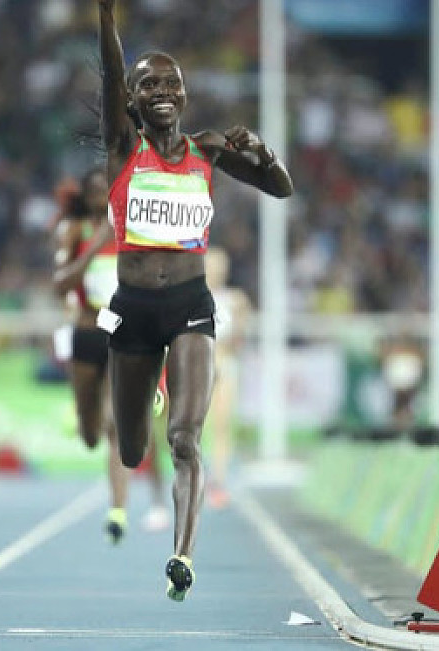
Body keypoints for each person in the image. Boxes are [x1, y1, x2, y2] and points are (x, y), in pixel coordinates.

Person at [96, 0, 294, 601]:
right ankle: (148, 392)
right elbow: (111, 74)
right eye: (148, 84)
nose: (161, 91)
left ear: (184, 95)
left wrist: (263, 153)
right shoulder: (123, 146)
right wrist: (105, 18)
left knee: (185, 439)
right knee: (133, 450)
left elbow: (281, 188)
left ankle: (182, 557)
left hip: (189, 305)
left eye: (171, 83)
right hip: (133, 309)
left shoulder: (207, 150)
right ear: (132, 101)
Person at [52, 166, 170, 545]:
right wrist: (94, 245)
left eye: (107, 190)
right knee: (91, 434)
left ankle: (117, 511)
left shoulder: (132, 232)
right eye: (94, 191)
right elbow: (60, 286)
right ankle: (85, 420)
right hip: (87, 332)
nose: (101, 198)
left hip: (121, 334)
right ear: (86, 197)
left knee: (116, 424)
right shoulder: (75, 231)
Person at [203, 247, 251, 510]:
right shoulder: (193, 296)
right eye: (212, 265)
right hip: (200, 364)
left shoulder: (234, 298)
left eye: (220, 266)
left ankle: (218, 481)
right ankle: (196, 475)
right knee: (195, 425)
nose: (216, 270)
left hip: (224, 363)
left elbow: (240, 336)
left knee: (222, 424)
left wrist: (241, 317)